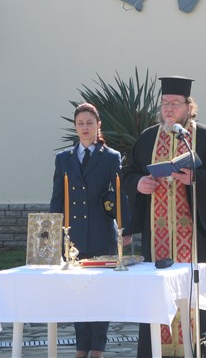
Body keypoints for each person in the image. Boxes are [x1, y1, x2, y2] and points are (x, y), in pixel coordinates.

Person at [122, 76, 206, 357]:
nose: (168, 109)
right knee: (156, 296)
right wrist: (139, 183)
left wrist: (195, 178)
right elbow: (129, 172)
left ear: (188, 106)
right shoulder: (148, 138)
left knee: (194, 298)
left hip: (193, 235)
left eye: (174, 104)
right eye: (164, 104)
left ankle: (198, 351)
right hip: (157, 235)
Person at [50, 102, 130, 358]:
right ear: (75, 127)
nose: (85, 128)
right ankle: (80, 347)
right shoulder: (64, 158)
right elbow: (57, 197)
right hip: (73, 236)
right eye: (80, 124)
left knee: (99, 293)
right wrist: (53, 232)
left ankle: (98, 348)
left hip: (101, 232)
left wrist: (125, 228)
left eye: (90, 123)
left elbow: (120, 196)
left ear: (98, 126)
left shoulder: (110, 157)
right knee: (78, 292)